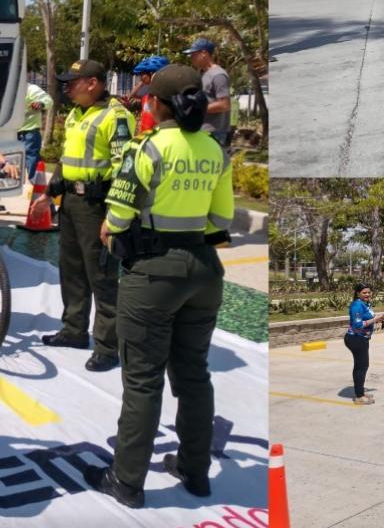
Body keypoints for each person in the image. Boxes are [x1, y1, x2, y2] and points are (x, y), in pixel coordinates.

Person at [85, 64, 234, 508]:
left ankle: (126, 481)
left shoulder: (145, 148)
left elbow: (116, 221)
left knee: (144, 380)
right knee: (194, 375)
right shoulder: (215, 150)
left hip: (152, 272)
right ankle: (195, 470)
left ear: (156, 104)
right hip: (205, 272)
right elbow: (221, 221)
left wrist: (114, 232)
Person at [31, 59, 135, 371]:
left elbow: (124, 170)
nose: (67, 87)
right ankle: (74, 330)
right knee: (71, 270)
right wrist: (48, 195)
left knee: (101, 276)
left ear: (93, 83)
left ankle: (107, 346)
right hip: (72, 204)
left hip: (97, 205)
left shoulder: (116, 117)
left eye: (73, 82)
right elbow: (66, 161)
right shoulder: (77, 114)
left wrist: (113, 216)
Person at [181, 38, 232, 149]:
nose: (191, 58)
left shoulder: (218, 75)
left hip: (215, 132)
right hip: (203, 130)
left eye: (193, 54)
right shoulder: (204, 74)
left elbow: (224, 105)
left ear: (204, 53)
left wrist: (195, 108)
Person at [345, 283, 384, 405]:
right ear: (358, 294)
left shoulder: (364, 304)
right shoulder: (357, 305)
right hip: (356, 339)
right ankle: (359, 396)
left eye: (369, 292)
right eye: (364, 293)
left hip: (362, 338)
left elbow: (367, 316)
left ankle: (360, 391)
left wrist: (378, 318)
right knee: (361, 367)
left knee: (362, 366)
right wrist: (375, 320)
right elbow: (358, 325)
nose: (367, 294)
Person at [17, 80, 53, 181]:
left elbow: (48, 100)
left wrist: (40, 103)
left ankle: (38, 188)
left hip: (29, 133)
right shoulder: (8, 89)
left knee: (32, 162)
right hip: (10, 134)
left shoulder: (30, 89)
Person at [127, 55, 169, 136]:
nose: (141, 78)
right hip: (145, 140)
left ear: (152, 74)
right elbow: (131, 97)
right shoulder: (147, 97)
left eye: (142, 75)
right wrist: (141, 83)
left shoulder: (166, 98)